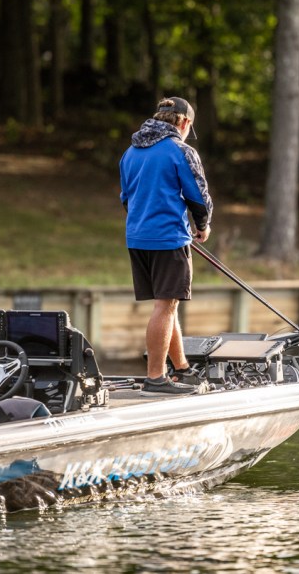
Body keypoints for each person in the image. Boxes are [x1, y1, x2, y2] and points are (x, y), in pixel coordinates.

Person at [119, 97, 213, 395]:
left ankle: (181, 368)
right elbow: (198, 196)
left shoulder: (130, 152)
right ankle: (156, 378)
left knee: (166, 304)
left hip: (137, 238)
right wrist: (202, 226)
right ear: (184, 122)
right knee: (166, 306)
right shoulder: (181, 151)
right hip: (168, 239)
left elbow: (127, 198)